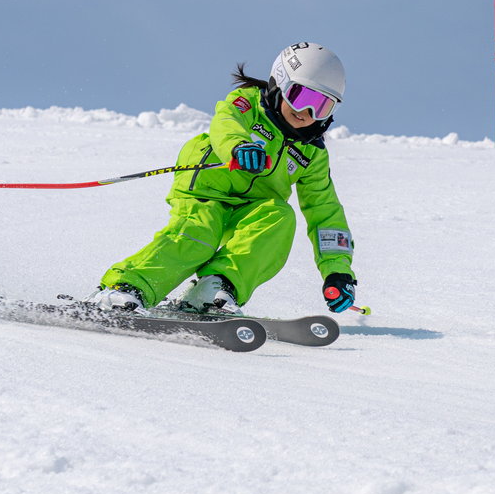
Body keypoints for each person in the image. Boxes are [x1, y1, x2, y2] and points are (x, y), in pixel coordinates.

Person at [86, 42, 357, 316]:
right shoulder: (248, 103)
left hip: (253, 205)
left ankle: (214, 290)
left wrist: (338, 270)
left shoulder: (311, 152)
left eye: (322, 106)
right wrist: (238, 147)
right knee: (198, 234)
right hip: (207, 189)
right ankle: (125, 288)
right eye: (301, 97)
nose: (307, 113)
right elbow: (225, 125)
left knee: (280, 219)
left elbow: (325, 211)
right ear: (280, 83)